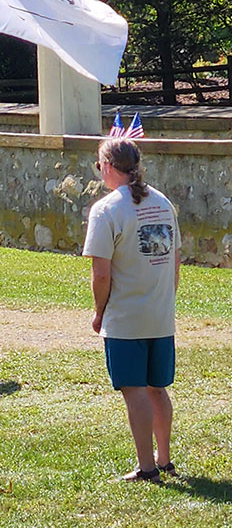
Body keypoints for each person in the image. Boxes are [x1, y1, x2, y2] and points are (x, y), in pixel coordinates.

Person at [84, 138, 180, 484]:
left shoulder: (106, 210)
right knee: (157, 388)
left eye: (99, 166)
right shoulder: (163, 203)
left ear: (108, 167)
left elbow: (102, 272)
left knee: (135, 390)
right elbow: (174, 262)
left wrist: (99, 312)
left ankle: (146, 467)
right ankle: (164, 458)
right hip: (160, 313)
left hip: (126, 318)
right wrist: (165, 300)